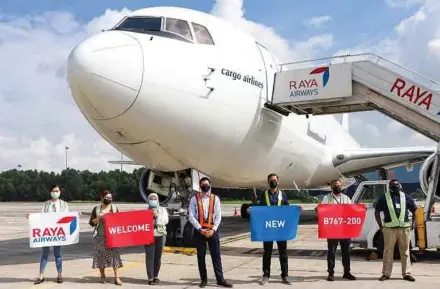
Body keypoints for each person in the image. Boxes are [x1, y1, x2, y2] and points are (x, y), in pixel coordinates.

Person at [248, 173, 292, 286]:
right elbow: (258, 207)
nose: (273, 182)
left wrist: (297, 209)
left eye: (274, 180)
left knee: (283, 253)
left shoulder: (283, 195)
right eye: (271, 180)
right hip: (267, 228)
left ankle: (285, 275)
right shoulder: (263, 194)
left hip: (280, 228)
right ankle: (266, 275)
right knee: (267, 252)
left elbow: (288, 208)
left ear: (278, 181)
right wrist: (251, 209)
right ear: (268, 182)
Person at [188, 177, 233, 288]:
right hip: (200, 231)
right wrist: (200, 229)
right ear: (200, 186)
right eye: (203, 184)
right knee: (201, 256)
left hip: (213, 230)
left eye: (207, 184)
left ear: (210, 185)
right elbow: (191, 216)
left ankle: (220, 279)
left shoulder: (215, 198)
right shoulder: (194, 199)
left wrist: (213, 229)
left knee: (216, 256)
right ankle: (203, 280)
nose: (205, 186)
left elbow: (218, 216)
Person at [374, 179, 417, 282]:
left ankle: (406, 273)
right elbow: (377, 212)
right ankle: (386, 273)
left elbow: (414, 209)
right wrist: (381, 226)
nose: (395, 187)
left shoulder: (405, 197)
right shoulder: (384, 197)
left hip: (404, 229)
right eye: (393, 185)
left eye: (397, 185)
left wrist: (413, 223)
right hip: (389, 229)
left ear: (400, 186)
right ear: (390, 187)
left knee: (405, 252)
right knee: (388, 251)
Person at [30, 184, 69, 285]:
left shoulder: (64, 204)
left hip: (57, 232)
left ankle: (59, 274)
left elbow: (67, 216)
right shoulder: (46, 204)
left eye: (56, 191)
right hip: (47, 232)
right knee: (44, 254)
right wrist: (31, 217)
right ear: (50, 192)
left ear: (60, 192)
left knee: (57, 254)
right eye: (53, 191)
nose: (55, 193)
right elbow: (41, 216)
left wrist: (76, 216)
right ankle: (41, 275)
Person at [318, 179, 356, 281]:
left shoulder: (346, 198)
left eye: (339, 185)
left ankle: (347, 272)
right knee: (332, 252)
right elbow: (322, 211)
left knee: (346, 252)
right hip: (332, 230)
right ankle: (330, 273)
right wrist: (318, 209)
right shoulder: (327, 198)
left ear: (342, 186)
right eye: (335, 185)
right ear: (331, 187)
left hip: (344, 230)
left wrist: (361, 210)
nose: (337, 187)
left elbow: (352, 210)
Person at [89, 190, 123, 285]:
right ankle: (103, 276)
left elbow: (120, 221)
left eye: (110, 198)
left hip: (112, 236)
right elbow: (92, 223)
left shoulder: (115, 208)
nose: (109, 199)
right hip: (100, 236)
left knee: (115, 256)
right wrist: (98, 217)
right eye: (107, 197)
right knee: (100, 256)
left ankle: (117, 277)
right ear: (102, 198)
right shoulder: (96, 209)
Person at [144, 193, 169, 285]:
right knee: (150, 257)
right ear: (148, 200)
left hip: (160, 235)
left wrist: (157, 216)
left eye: (155, 199)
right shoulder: (145, 211)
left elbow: (165, 221)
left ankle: (156, 276)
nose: (153, 200)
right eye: (151, 199)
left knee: (158, 257)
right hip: (149, 236)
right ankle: (150, 277)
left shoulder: (162, 210)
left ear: (158, 200)